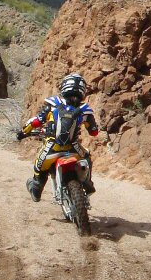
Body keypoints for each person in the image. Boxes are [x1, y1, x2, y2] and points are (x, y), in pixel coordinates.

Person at [17, 72, 99, 202]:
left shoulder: (53, 104)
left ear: (64, 87)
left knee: (39, 169)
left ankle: (36, 190)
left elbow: (36, 121)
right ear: (82, 90)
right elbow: (94, 132)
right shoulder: (85, 110)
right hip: (74, 149)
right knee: (87, 157)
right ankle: (87, 183)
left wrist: (22, 132)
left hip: (52, 147)